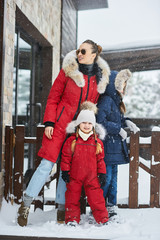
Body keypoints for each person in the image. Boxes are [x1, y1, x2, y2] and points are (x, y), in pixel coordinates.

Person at [17, 39, 111, 227]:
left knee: (67, 169)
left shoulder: (98, 79)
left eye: (84, 51)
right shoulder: (67, 71)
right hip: (59, 125)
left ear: (93, 55)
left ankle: (62, 207)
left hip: (78, 131)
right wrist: (50, 122)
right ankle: (25, 205)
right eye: (78, 50)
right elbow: (53, 97)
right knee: (47, 165)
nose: (79, 54)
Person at [97, 69, 140, 218]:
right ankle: (99, 207)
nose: (123, 87)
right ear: (114, 85)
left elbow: (116, 119)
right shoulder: (106, 100)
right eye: (122, 84)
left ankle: (111, 205)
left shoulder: (116, 102)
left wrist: (126, 121)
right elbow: (100, 122)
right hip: (107, 147)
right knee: (106, 179)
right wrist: (118, 129)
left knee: (113, 179)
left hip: (114, 147)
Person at [61, 102, 109, 226]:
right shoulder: (72, 141)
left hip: (92, 177)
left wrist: (102, 173)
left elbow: (100, 160)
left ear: (93, 125)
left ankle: (102, 219)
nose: (86, 125)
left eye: (89, 123)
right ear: (78, 124)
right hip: (75, 176)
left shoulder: (97, 142)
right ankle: (72, 219)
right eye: (84, 122)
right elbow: (65, 158)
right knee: (72, 198)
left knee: (97, 199)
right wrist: (65, 171)